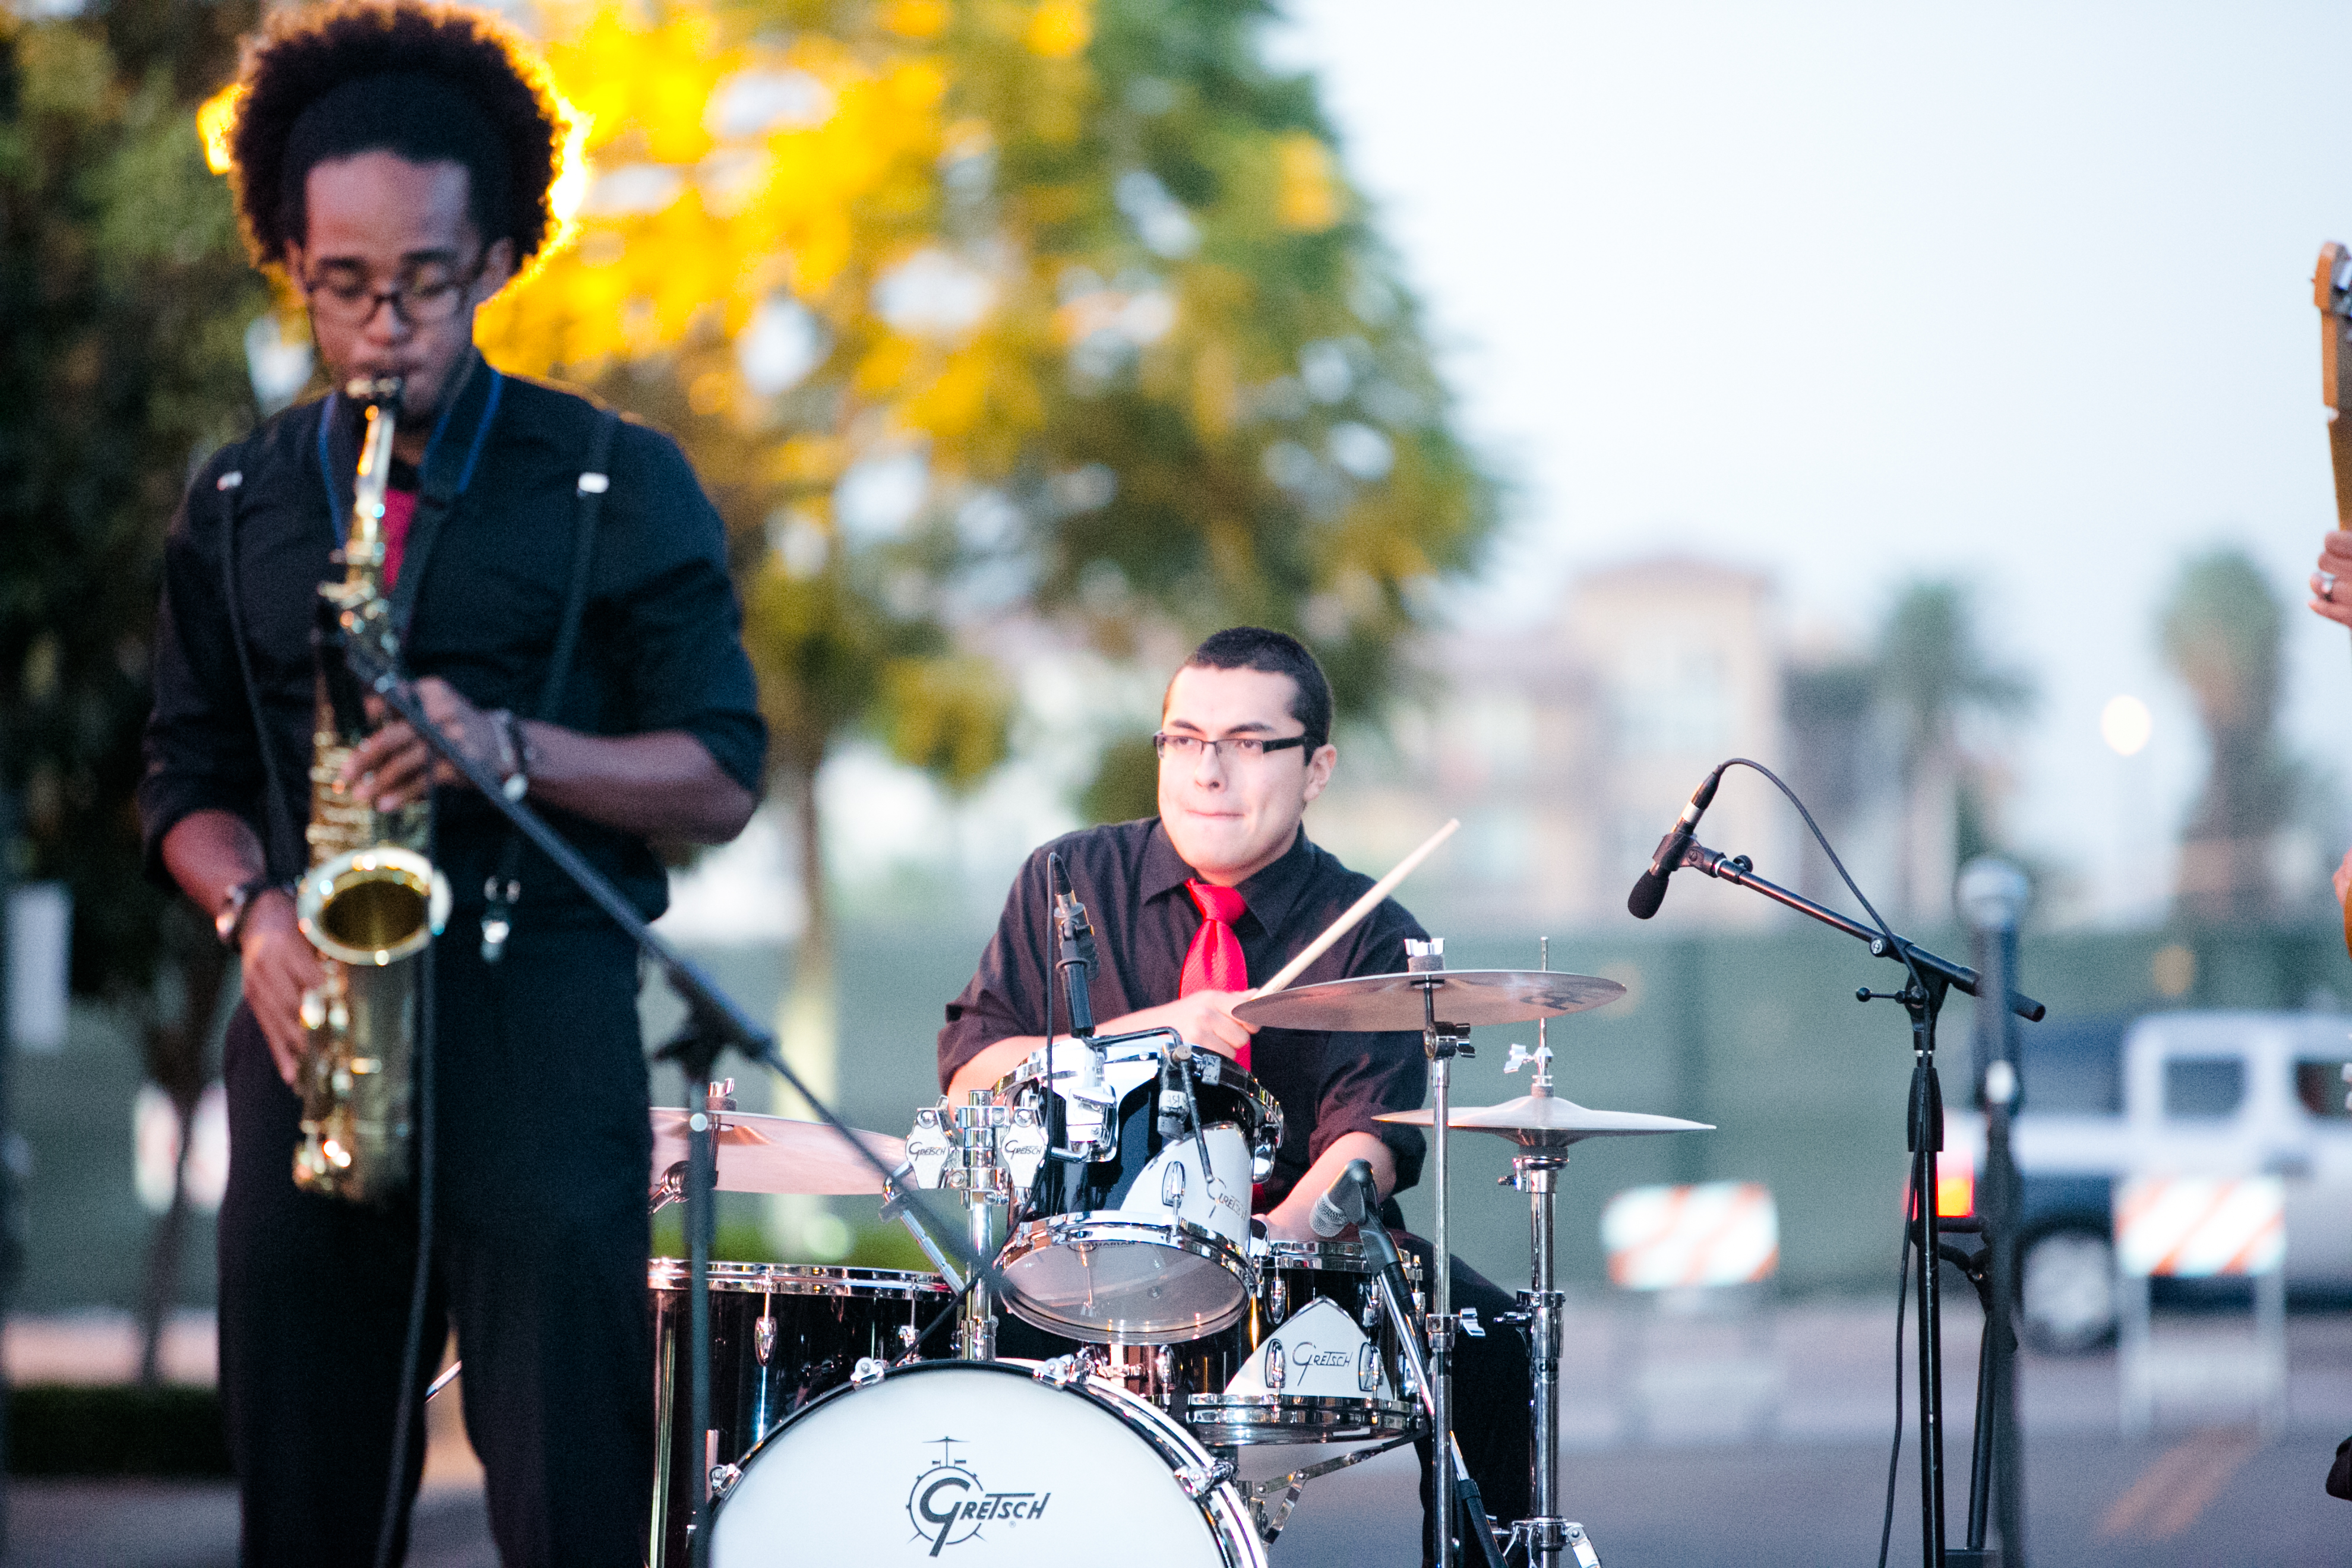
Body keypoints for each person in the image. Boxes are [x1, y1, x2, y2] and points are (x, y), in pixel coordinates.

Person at [137, 4, 766, 1563]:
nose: (383, 326)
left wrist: (511, 748)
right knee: (305, 1507)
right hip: (314, 1032)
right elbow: (187, 777)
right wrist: (251, 913)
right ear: (290, 257)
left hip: (539, 1032)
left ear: (495, 257)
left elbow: (721, 774)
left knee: (567, 1502)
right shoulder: (237, 497)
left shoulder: (619, 480)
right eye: (341, 285)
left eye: (423, 281)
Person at [938, 625, 1531, 1557]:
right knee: (938, 1362)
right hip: (1079, 1261)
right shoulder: (1067, 878)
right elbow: (971, 1073)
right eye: (1184, 738)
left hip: (1291, 1264)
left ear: (1316, 767)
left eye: (1248, 744)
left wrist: (1254, 1256)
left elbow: (1363, 1149)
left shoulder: (1371, 933)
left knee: (1490, 1338)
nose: (1208, 772)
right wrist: (1160, 1025)